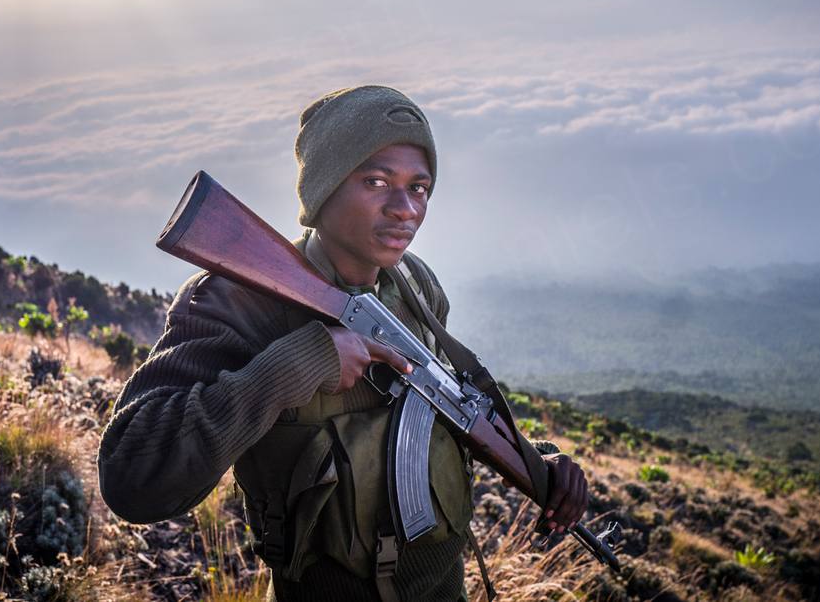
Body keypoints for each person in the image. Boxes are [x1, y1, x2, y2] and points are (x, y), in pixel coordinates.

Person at [98, 85, 589, 601]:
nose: (405, 210)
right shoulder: (240, 300)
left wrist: (536, 463)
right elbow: (131, 475)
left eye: (420, 188)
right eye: (376, 181)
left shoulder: (415, 285)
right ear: (325, 188)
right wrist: (300, 363)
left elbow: (440, 404)